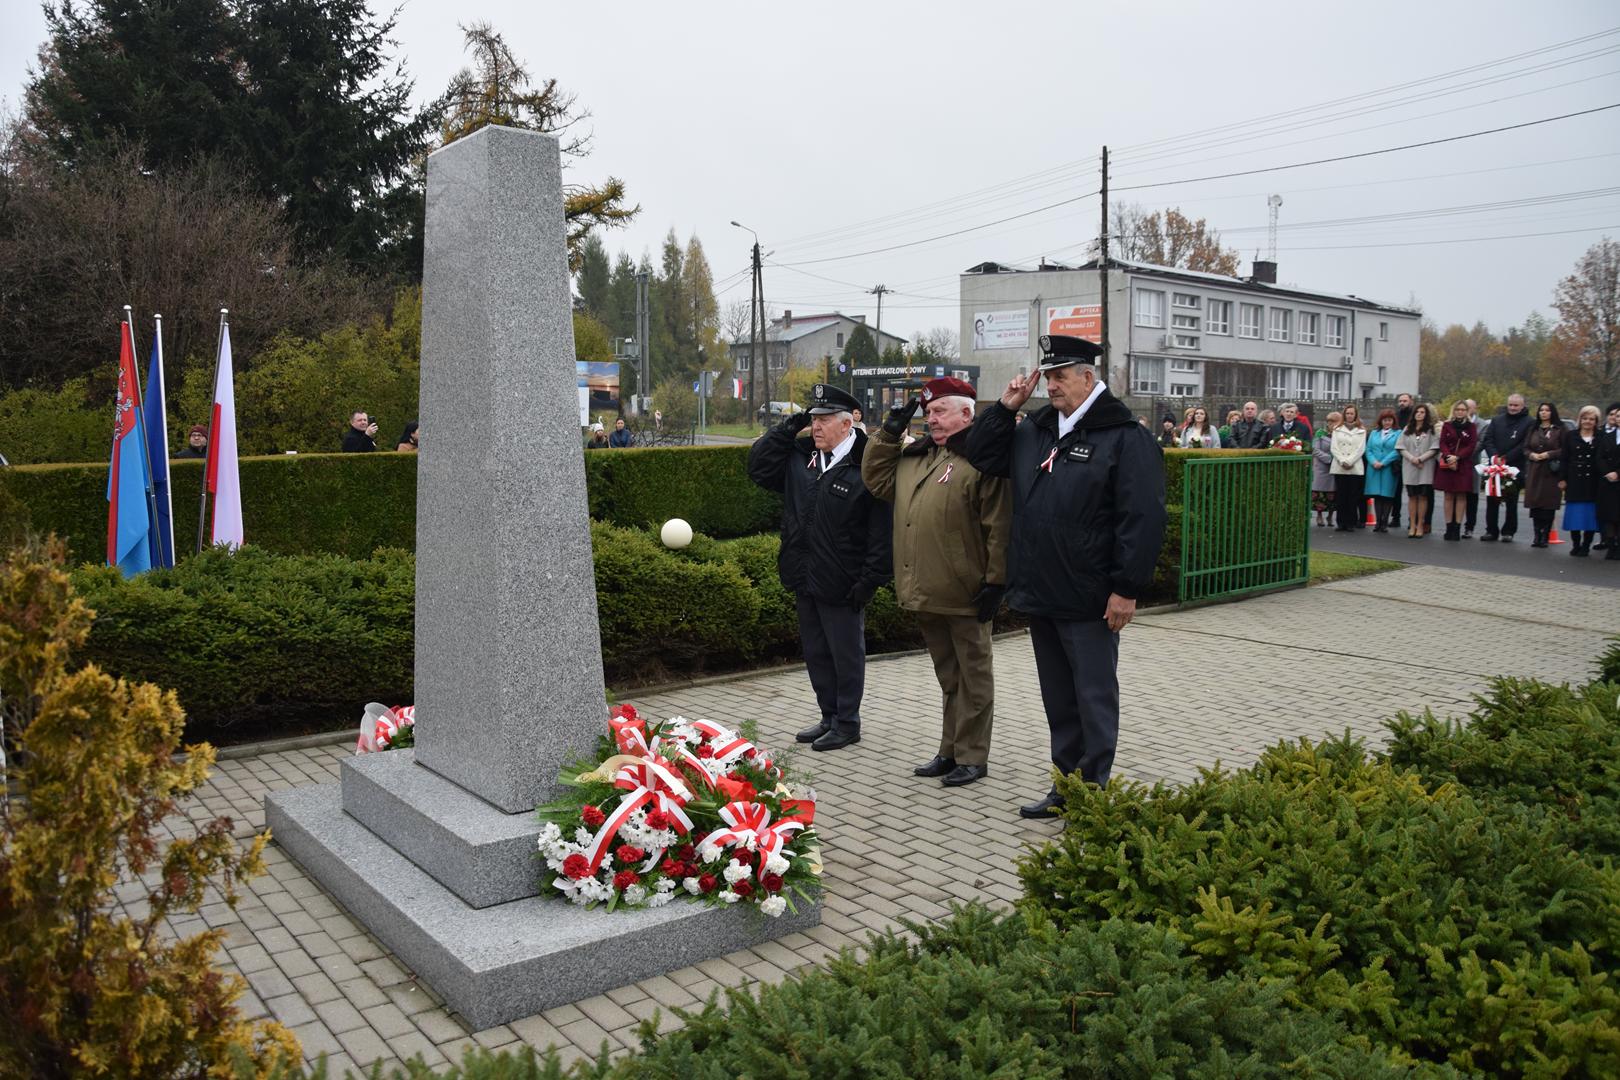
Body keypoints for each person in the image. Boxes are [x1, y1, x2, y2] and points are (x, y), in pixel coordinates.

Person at [964, 335, 1167, 819]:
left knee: (1092, 697)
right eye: (1047, 376)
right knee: (1059, 699)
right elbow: (983, 456)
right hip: (1043, 589)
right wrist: (1004, 407)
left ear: (1087, 377)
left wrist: (1126, 588)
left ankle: (1091, 792)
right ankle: (1065, 786)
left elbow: (1141, 518)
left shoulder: (1123, 435)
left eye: (1060, 376)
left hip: (1093, 595)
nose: (1051, 385)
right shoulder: (1036, 428)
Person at [863, 377, 1011, 788]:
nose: (932, 420)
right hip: (926, 587)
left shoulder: (983, 459)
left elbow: (998, 524)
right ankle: (949, 750)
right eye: (927, 413)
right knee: (949, 677)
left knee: (974, 678)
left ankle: (973, 757)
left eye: (940, 411)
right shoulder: (918, 457)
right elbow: (875, 479)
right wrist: (889, 432)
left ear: (967, 413)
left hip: (967, 591)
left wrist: (996, 581)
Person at [747, 382, 892, 752]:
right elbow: (759, 465)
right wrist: (790, 423)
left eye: (825, 419)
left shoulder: (866, 464)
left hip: (844, 581)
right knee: (815, 651)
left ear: (847, 424)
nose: (817, 427)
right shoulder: (802, 457)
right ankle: (828, 715)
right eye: (813, 419)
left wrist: (870, 580)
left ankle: (848, 722)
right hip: (804, 573)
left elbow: (881, 531)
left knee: (845, 654)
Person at [1478, 394, 1533, 542]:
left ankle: (1508, 531)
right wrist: (1495, 457)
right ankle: (1491, 531)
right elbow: (1488, 439)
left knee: (1511, 501)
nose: (1513, 408)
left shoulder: (1529, 422)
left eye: (1516, 405)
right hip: (1495, 466)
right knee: (1492, 500)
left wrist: (1506, 458)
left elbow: (1524, 444)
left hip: (1514, 467)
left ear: (1522, 406)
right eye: (1510, 405)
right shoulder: (1497, 420)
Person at [1522, 402, 1566, 548]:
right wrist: (1532, 455)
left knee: (1548, 505)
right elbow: (1526, 448)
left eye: (1547, 410)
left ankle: (1545, 535)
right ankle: (1537, 535)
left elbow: (1565, 449)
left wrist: (1549, 454)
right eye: (1541, 410)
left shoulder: (1560, 429)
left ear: (1552, 412)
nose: (1544, 413)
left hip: (1551, 471)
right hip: (1535, 470)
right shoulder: (1533, 428)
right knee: (1535, 504)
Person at [1561, 405, 1603, 557]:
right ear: (1580, 419)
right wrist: (1562, 478)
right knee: (1575, 516)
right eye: (1585, 418)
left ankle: (1586, 545)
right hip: (1574, 480)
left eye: (1591, 419)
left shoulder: (1601, 436)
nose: (1588, 421)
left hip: (1593, 481)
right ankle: (1576, 544)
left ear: (1596, 421)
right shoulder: (1571, 435)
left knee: (1590, 517)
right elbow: (1564, 458)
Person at [1435, 400, 1479, 540]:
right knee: (1448, 495)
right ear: (1453, 411)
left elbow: (1472, 445)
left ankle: (1457, 527)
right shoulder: (1447, 425)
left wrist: (1458, 457)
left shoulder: (1471, 426)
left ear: (1467, 411)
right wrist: (1449, 456)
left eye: (1463, 409)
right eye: (1457, 409)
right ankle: (1449, 527)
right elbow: (1442, 442)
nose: (1460, 412)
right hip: (1448, 463)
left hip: (1463, 463)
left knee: (1461, 495)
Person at [1396, 403, 1438, 538]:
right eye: (1417, 412)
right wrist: (1413, 459)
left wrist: (1420, 459)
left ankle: (1421, 524)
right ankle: (1412, 524)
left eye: (1422, 412)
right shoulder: (1407, 429)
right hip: (1410, 466)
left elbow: (1434, 448)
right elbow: (1400, 446)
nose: (1419, 414)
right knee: (1412, 496)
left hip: (1425, 466)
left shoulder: (1431, 430)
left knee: (1423, 497)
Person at [1330, 404, 1368, 531]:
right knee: (1341, 495)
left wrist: (1350, 461)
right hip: (1340, 466)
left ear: (1355, 415)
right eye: (1347, 413)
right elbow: (1334, 447)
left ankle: (1351, 522)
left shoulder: (1361, 430)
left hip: (1354, 466)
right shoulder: (1337, 429)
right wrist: (1342, 460)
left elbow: (1361, 448)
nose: (1350, 416)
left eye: (1352, 413)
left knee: (1352, 496)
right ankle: (1341, 522)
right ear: (1344, 414)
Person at [1363, 409, 1401, 532]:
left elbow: (1397, 450)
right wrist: (1374, 461)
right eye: (1385, 420)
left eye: (1389, 420)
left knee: (1387, 495)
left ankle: (1384, 522)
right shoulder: (1374, 433)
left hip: (1388, 467)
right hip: (1373, 467)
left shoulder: (1398, 433)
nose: (1387, 423)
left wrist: (1383, 462)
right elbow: (1368, 449)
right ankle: (1378, 522)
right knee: (1377, 495)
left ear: (1393, 421)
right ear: (1381, 421)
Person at [1597, 402, 1620, 559]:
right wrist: (1607, 472)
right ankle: (1611, 545)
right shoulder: (1608, 436)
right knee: (1609, 515)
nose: (1618, 418)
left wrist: (1618, 473)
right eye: (1617, 416)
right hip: (1608, 482)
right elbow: (1599, 457)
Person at [1312, 412, 1339, 527]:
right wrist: (1329, 458)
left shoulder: (1339, 434)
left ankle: (1330, 516)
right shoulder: (1320, 433)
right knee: (1319, 493)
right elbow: (1315, 449)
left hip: (1335, 467)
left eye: (1334, 421)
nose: (1331, 424)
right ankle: (1319, 516)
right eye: (1329, 421)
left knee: (1332, 492)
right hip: (1321, 467)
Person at [1463, 399, 1481, 536]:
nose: (1466, 410)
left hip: (1472, 463)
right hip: (1456, 465)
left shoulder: (1482, 424)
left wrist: (1462, 454)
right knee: (1456, 496)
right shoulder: (1455, 423)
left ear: (1475, 408)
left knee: (1472, 498)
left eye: (1469, 408)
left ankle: (1469, 526)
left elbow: (1480, 443)